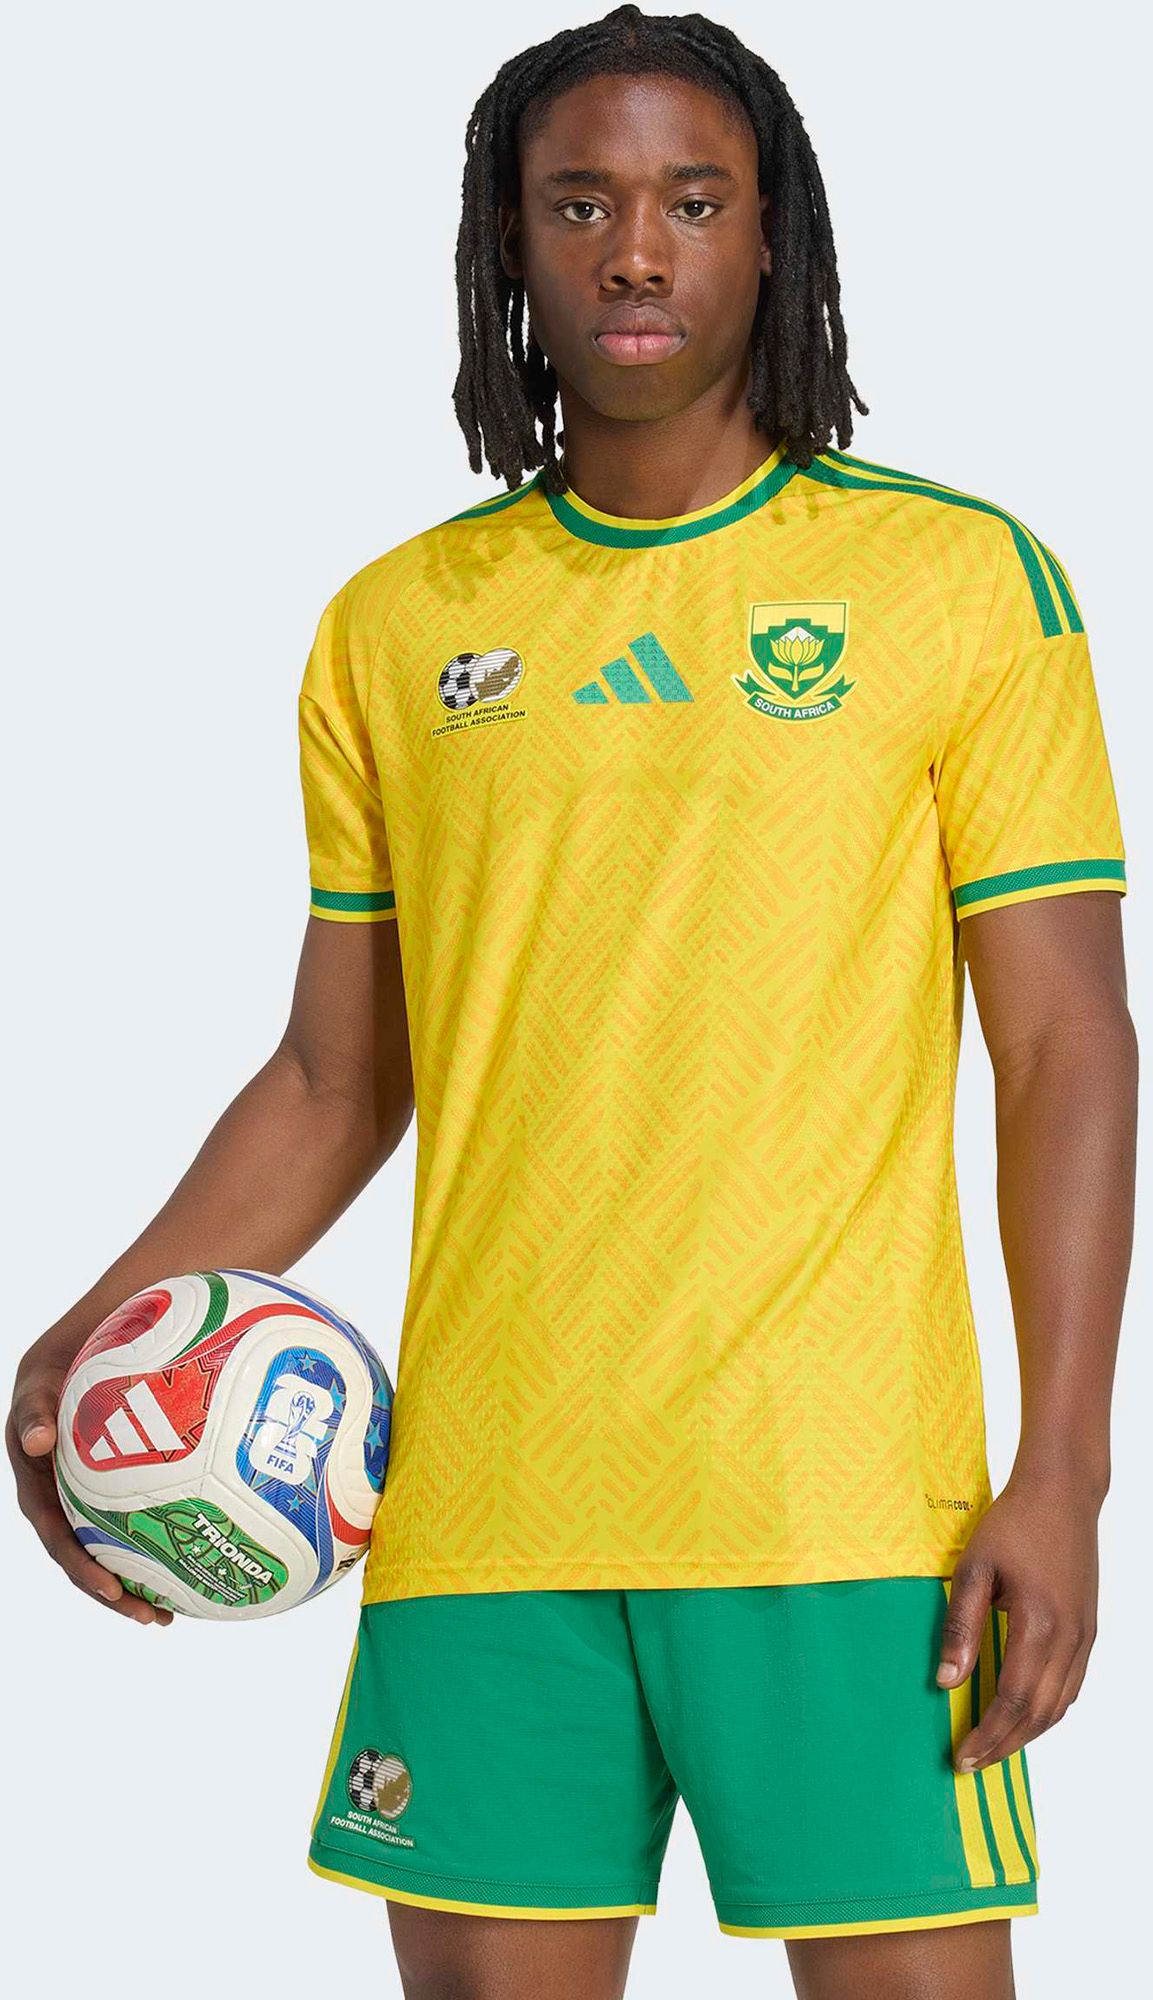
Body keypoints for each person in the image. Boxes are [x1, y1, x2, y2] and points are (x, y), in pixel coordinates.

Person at [7, 7, 1136, 1998]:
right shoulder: (396, 625)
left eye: (692, 202)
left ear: (771, 236)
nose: (634, 252)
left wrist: (1063, 1465)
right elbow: (336, 1076)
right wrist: (89, 1338)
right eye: (579, 203)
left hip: (836, 1507)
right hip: (480, 1508)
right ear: (506, 241)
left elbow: (1062, 1044)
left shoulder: (958, 584)